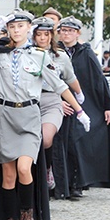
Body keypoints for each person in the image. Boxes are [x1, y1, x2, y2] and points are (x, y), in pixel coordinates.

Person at [0, 10, 90, 220]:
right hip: (5, 115)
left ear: (28, 29)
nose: (16, 30)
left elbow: (60, 85)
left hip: (29, 114)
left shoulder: (39, 56)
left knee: (25, 168)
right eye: (12, 27)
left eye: (20, 26)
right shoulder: (1, 55)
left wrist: (80, 110)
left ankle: (27, 214)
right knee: (8, 174)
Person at [56, 16, 110, 198]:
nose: (67, 34)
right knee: (60, 143)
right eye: (64, 30)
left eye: (70, 30)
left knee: (78, 140)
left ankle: (77, 182)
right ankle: (60, 183)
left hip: (83, 103)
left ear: (77, 33)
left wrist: (108, 105)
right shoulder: (53, 51)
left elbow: (99, 80)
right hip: (57, 102)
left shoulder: (86, 53)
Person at [31, 17, 84, 190]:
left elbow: (70, 78)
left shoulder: (60, 56)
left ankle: (47, 169)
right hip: (30, 100)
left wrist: (79, 93)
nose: (42, 38)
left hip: (52, 99)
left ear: (52, 36)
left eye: (46, 34)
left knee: (46, 139)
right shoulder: (27, 54)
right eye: (38, 34)